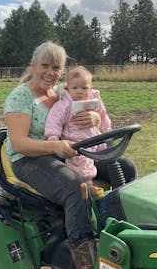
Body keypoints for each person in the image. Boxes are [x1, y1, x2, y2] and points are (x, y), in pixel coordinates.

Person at [3, 42, 99, 269]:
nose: (50, 72)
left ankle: (115, 237)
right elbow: (20, 143)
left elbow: (88, 108)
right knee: (76, 188)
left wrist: (91, 116)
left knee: (123, 167)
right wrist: (55, 146)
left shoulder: (60, 94)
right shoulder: (21, 97)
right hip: (29, 160)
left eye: (56, 67)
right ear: (32, 66)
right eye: (44, 65)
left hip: (64, 154)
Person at [45, 65, 111, 196]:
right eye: (75, 88)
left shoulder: (95, 100)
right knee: (80, 166)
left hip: (96, 139)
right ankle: (87, 186)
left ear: (91, 88)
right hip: (76, 143)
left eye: (84, 88)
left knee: (115, 160)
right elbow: (54, 121)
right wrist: (53, 137)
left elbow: (103, 117)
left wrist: (108, 132)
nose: (79, 91)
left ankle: (117, 196)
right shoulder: (64, 104)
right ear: (68, 88)